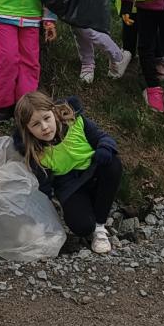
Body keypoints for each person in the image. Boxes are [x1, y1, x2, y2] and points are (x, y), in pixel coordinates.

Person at [12, 90, 122, 255]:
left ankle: (100, 227)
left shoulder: (75, 122)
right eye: (35, 124)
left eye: (46, 118)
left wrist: (105, 148)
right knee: (82, 227)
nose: (44, 127)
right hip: (70, 186)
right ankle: (89, 217)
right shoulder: (35, 151)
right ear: (27, 129)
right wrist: (41, 218)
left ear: (54, 111)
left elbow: (103, 138)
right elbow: (44, 187)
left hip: (94, 172)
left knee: (112, 164)